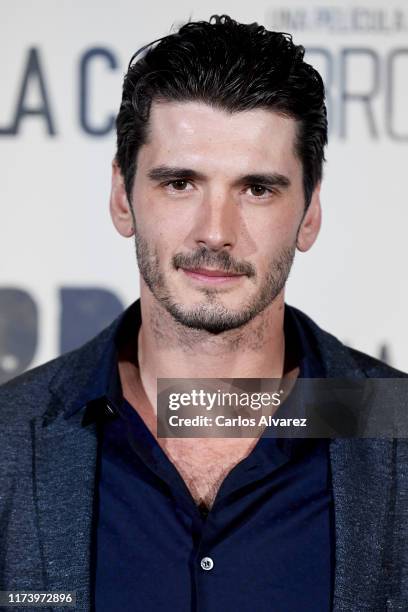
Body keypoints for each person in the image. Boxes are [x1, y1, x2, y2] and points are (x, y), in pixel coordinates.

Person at [0, 14, 407, 612]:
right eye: (180, 183)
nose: (216, 232)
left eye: (258, 189)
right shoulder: (12, 434)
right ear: (122, 198)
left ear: (310, 214)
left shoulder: (396, 431)